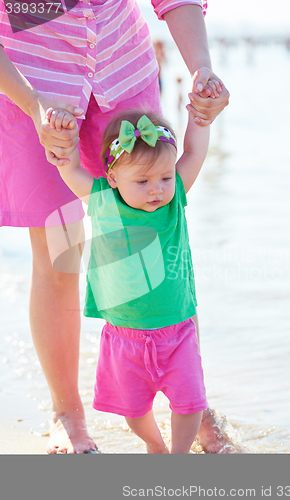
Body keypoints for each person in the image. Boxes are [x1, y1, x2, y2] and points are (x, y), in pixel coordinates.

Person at [0, 0, 230, 453]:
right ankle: (67, 413)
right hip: (32, 85)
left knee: (156, 244)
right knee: (60, 255)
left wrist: (202, 68)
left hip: (121, 71)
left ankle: (191, 401)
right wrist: (33, 103)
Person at [46, 104, 213, 453]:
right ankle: (155, 445)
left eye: (165, 178)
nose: (156, 190)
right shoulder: (101, 201)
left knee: (191, 402)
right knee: (133, 411)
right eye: (142, 181)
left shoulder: (174, 199)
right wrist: (65, 135)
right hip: (124, 336)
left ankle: (178, 457)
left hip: (177, 329)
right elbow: (69, 166)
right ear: (113, 179)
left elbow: (195, 150)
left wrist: (200, 120)